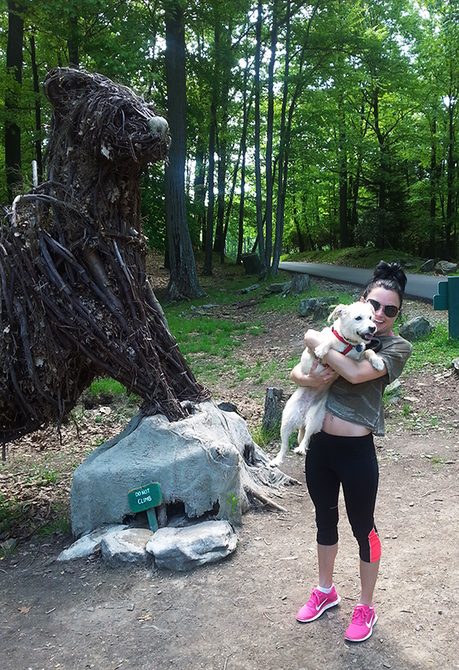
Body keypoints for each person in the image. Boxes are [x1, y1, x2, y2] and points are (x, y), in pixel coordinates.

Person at [291, 261, 412, 643]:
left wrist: (314, 340)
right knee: (324, 523)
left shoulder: (395, 346)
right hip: (320, 448)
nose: (380, 315)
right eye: (375, 304)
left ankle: (366, 606)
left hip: (358, 452)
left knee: (365, 529)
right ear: (362, 301)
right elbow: (296, 375)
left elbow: (357, 374)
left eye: (390, 310)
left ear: (397, 314)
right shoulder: (344, 326)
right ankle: (325, 591)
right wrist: (308, 363)